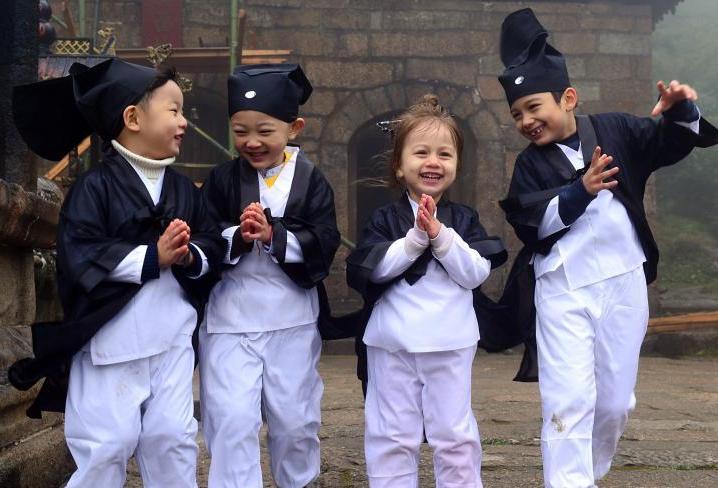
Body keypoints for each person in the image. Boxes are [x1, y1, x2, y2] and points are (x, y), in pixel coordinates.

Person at [497, 8, 718, 487]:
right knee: (569, 400)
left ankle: (588, 472)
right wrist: (580, 190)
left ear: (568, 98)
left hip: (624, 282)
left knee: (615, 403)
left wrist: (681, 110)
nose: (526, 121)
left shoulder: (615, 129)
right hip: (562, 290)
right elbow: (530, 223)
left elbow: (669, 143)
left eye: (533, 107)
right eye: (517, 114)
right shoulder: (529, 165)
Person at [9, 58, 225, 487]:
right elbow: (81, 254)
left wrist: (189, 255)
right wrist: (152, 256)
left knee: (173, 439)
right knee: (107, 445)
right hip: (111, 343)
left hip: (172, 340)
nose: (184, 121)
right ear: (133, 118)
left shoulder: (184, 189)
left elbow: (212, 240)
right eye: (174, 110)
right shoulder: (94, 188)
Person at [346, 94, 507, 488]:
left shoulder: (463, 218)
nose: (433, 162)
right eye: (421, 152)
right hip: (392, 342)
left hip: (450, 342)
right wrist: (415, 239)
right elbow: (373, 270)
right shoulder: (384, 218)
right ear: (399, 166)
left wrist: (441, 236)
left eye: (444, 154)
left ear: (457, 165)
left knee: (453, 434)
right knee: (391, 435)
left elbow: (475, 273)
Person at [199, 63, 341, 488]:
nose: (252, 142)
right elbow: (206, 234)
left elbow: (326, 238)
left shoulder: (312, 182)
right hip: (230, 319)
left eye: (265, 131)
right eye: (240, 131)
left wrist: (274, 236)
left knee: (295, 421)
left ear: (294, 128)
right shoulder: (222, 179)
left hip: (291, 319)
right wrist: (237, 237)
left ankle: (298, 481)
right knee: (231, 420)